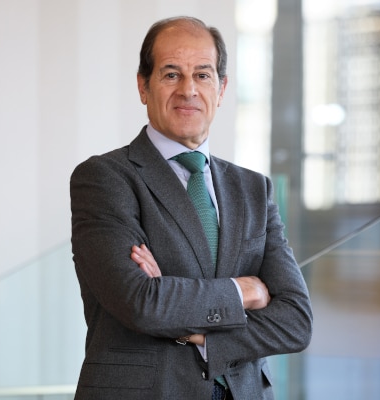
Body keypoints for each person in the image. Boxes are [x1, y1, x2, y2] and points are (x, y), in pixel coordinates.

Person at [70, 16, 312, 400]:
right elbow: (141, 303)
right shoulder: (104, 179)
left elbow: (295, 322)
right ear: (143, 86)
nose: (188, 90)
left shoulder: (254, 189)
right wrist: (243, 291)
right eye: (171, 74)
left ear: (221, 88)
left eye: (202, 75)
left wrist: (199, 334)